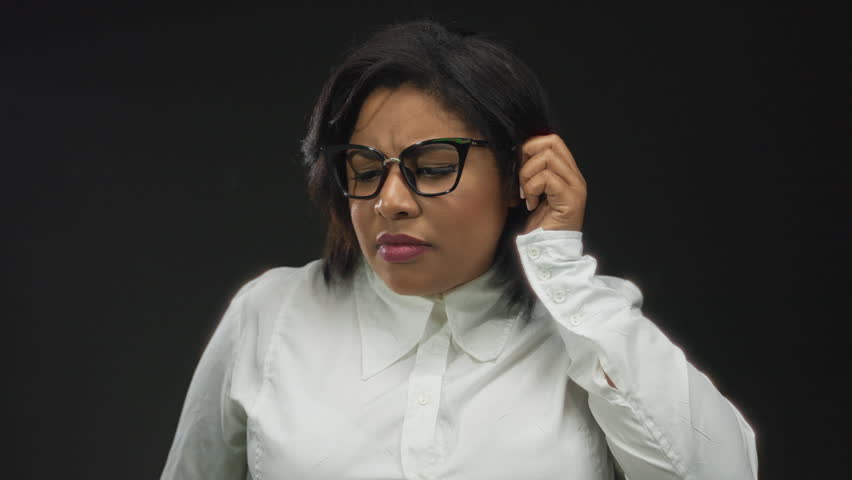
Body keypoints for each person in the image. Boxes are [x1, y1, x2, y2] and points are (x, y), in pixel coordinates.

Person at [160, 20, 758, 480]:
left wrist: (563, 273)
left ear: (516, 174)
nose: (389, 201)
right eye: (364, 169)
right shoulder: (270, 316)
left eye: (433, 166)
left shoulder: (585, 330)